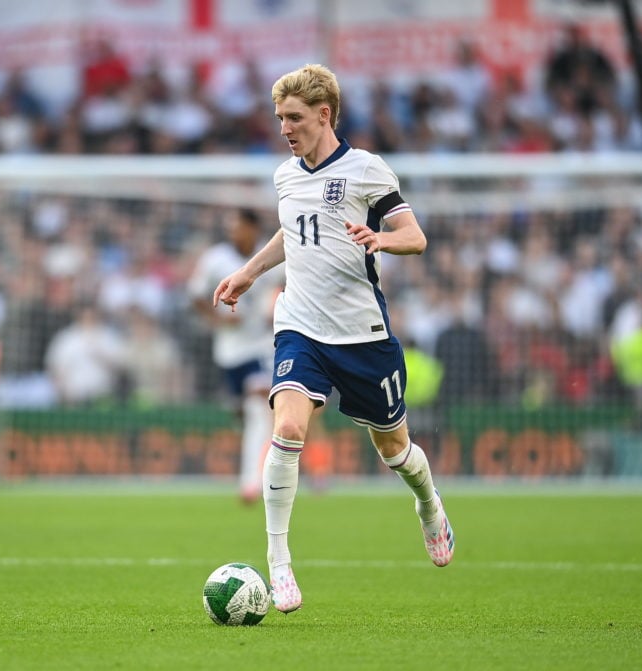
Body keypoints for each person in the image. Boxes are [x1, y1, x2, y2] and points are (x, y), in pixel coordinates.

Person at [213, 64, 455, 614]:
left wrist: (381, 239)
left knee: (395, 451)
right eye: (279, 118)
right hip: (300, 325)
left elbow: (415, 236)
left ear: (325, 115)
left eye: (294, 117)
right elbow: (292, 228)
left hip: (363, 336)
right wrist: (251, 272)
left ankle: (429, 506)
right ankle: (279, 565)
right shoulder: (285, 176)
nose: (284, 127)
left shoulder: (367, 170)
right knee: (290, 427)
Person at [189, 208, 281, 504]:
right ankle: (256, 467)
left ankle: (251, 484)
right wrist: (218, 321)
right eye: (230, 228)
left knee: (259, 409)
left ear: (253, 230)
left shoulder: (271, 256)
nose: (233, 233)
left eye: (238, 227)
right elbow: (196, 297)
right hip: (229, 351)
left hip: (262, 345)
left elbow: (289, 284)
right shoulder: (216, 260)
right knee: (244, 414)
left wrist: (276, 308)